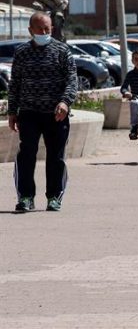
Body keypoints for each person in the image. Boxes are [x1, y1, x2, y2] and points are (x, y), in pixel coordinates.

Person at [8, 11, 78, 212]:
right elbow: (15, 84)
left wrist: (65, 102)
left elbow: (72, 81)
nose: (44, 32)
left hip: (56, 114)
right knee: (27, 154)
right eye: (40, 29)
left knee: (55, 157)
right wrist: (12, 111)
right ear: (31, 30)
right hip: (29, 113)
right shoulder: (21, 52)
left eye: (47, 29)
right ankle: (26, 197)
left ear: (52, 29)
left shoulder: (62, 51)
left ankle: (54, 197)